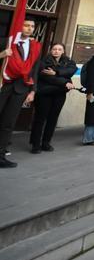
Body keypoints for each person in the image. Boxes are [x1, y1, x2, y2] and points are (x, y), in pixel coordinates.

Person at [0, 18, 42, 167]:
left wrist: (33, 91)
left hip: (21, 89)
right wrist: (2, 54)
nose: (29, 28)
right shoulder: (6, 42)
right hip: (3, 86)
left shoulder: (35, 47)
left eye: (32, 26)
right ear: (19, 26)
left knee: (8, 123)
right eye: (26, 25)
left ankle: (1, 155)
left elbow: (34, 71)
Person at [29, 43, 76, 153]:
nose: (56, 51)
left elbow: (71, 71)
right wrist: (65, 81)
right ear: (51, 50)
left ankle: (46, 143)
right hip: (45, 93)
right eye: (54, 49)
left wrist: (56, 72)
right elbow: (47, 77)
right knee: (40, 119)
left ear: (63, 51)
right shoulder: (44, 61)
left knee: (53, 119)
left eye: (59, 49)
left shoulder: (68, 62)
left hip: (59, 94)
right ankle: (35, 144)